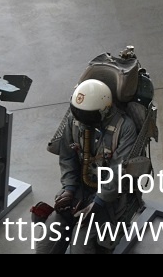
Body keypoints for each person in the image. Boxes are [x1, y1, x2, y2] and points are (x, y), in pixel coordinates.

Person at [54, 79, 139, 253]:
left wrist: (98, 203)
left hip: (110, 197)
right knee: (47, 240)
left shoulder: (124, 128)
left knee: (79, 248)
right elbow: (67, 158)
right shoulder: (74, 120)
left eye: (87, 116)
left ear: (104, 111)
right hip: (79, 189)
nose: (82, 121)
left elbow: (118, 172)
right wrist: (69, 189)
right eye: (78, 113)